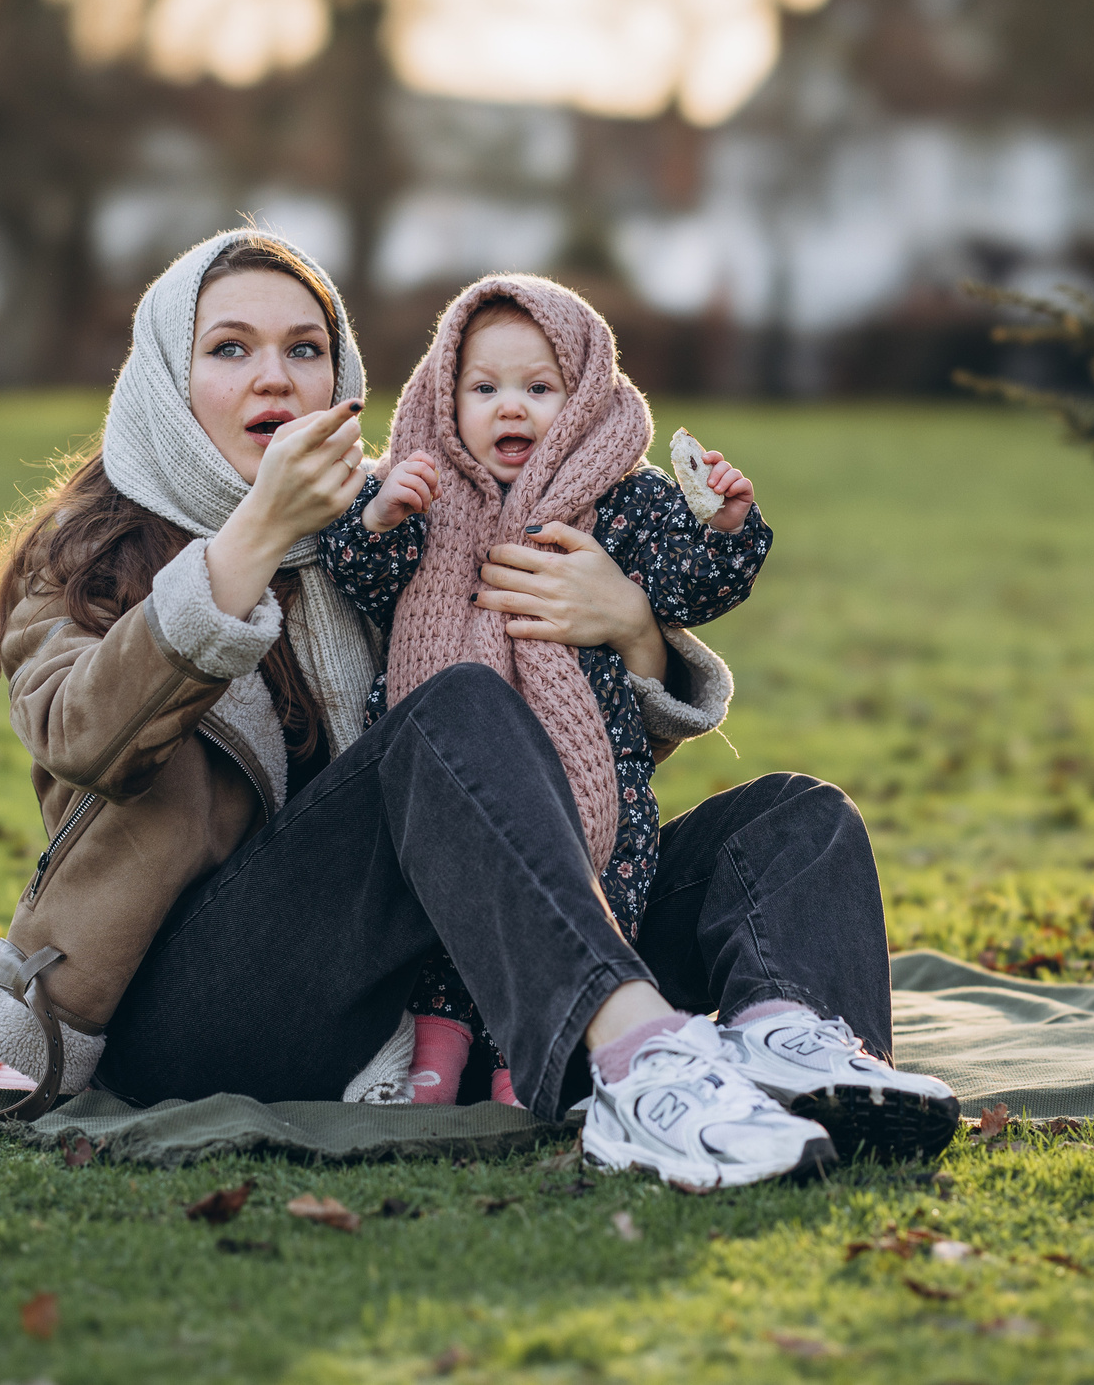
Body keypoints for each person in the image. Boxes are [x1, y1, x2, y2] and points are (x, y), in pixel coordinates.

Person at [0, 229, 957, 1187]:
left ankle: (810, 1060)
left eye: (305, 347)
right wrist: (251, 541)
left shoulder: (398, 521)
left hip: (430, 973)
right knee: (448, 703)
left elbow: (530, 782)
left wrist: (633, 634)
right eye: (229, 348)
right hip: (205, 1003)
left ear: (345, 376)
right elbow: (82, 737)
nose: (275, 374)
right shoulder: (87, 562)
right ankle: (642, 1060)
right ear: (164, 380)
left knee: (792, 822)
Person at [315, 277, 773, 1117]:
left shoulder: (622, 501)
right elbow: (363, 579)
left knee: (588, 897)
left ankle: (533, 1061)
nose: (510, 410)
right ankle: (439, 1048)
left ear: (585, 397)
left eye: (539, 388)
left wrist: (725, 527)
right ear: (443, 396)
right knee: (452, 914)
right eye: (484, 389)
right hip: (452, 771)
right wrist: (379, 520)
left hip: (595, 780)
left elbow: (688, 583)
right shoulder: (420, 491)